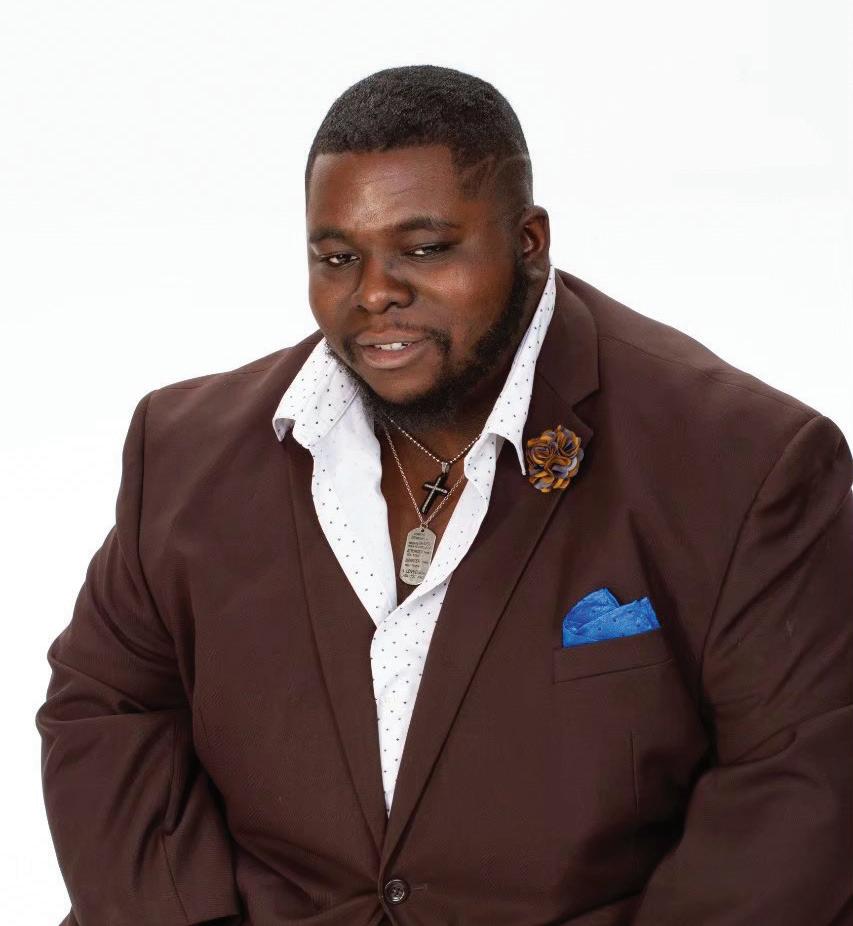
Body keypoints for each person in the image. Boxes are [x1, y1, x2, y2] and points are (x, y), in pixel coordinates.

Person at [36, 64, 853, 926]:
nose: (374, 292)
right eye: (337, 257)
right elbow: (108, 707)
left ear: (528, 241)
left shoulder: (741, 462)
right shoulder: (184, 450)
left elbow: (800, 783)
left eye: (424, 248)